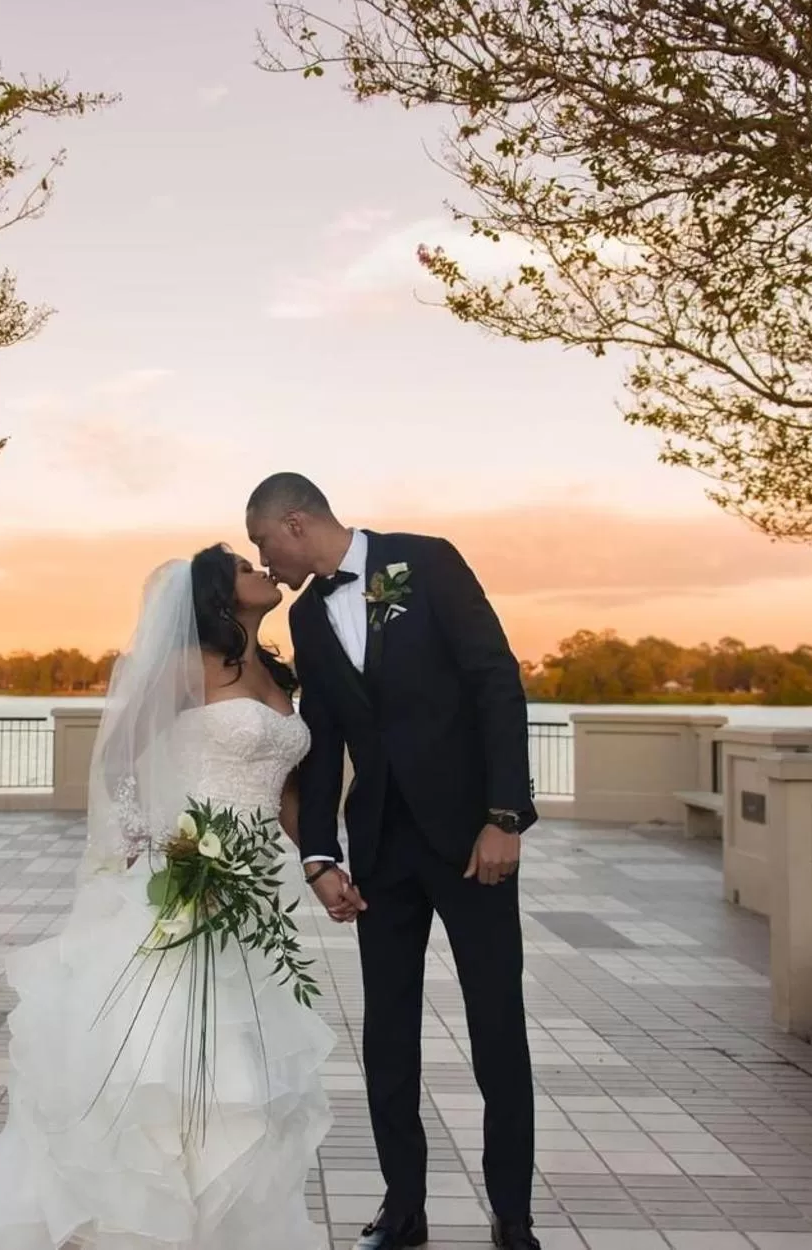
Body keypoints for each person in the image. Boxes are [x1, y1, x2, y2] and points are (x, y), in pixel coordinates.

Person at [0, 545, 335, 1250]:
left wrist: (321, 866)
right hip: (187, 880)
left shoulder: (275, 673)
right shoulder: (189, 665)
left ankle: (216, 1220)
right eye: (247, 566)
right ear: (219, 593)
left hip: (256, 889)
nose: (263, 571)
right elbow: (122, 755)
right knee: (163, 1050)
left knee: (239, 1055)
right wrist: (159, 845)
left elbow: (284, 793)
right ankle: (136, 1217)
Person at [246, 473, 541, 1250]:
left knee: (497, 1029)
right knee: (387, 1037)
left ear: (296, 523)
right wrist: (319, 854)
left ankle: (512, 1215)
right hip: (380, 850)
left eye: (263, 544)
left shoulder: (426, 560)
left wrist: (504, 817)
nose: (265, 562)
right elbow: (324, 737)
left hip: (471, 843)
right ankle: (402, 1208)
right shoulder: (308, 617)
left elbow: (494, 683)